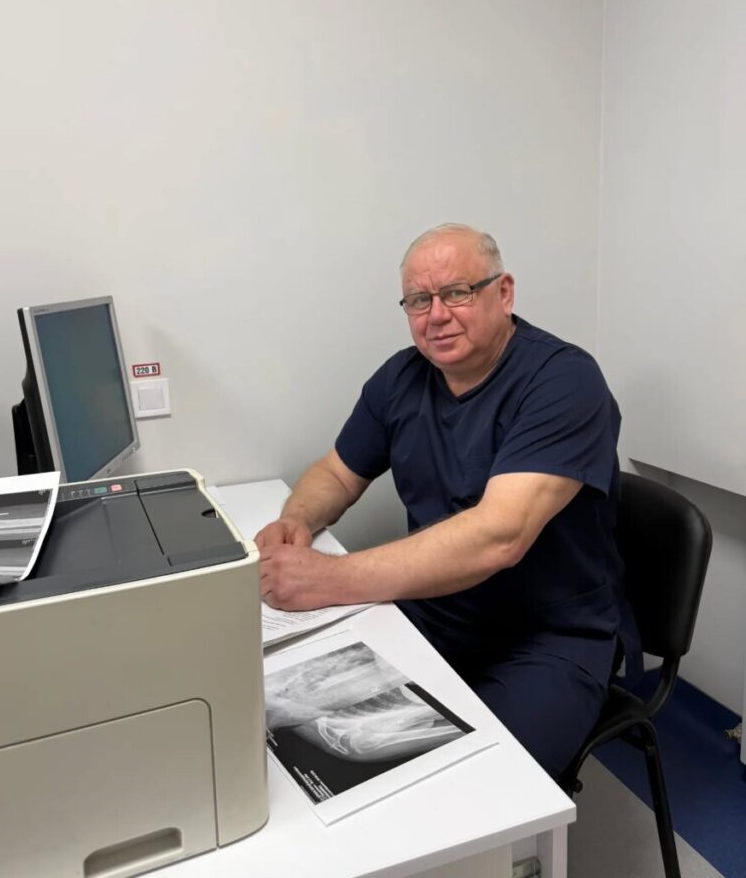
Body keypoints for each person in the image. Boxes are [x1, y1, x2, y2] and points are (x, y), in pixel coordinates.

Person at [256, 223, 640, 780]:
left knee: (476, 786)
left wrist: (326, 579)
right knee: (287, 722)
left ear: (503, 293)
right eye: (419, 300)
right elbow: (337, 473)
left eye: (457, 292)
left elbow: (499, 537)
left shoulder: (564, 381)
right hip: (436, 609)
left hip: (548, 634)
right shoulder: (402, 378)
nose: (436, 315)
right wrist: (297, 518)